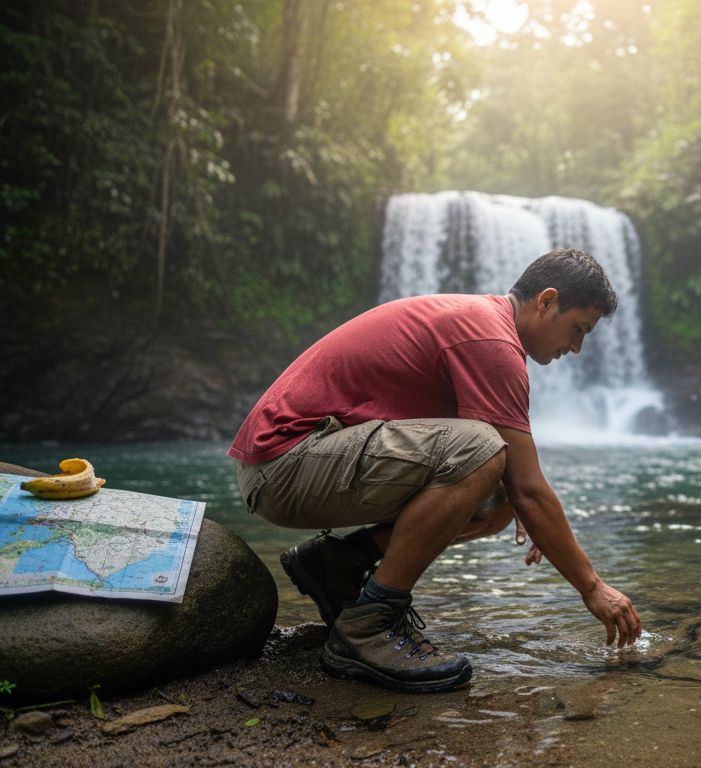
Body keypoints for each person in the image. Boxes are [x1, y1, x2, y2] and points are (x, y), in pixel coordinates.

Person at [228, 247, 642, 693]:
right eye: (578, 329)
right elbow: (527, 485)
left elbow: (519, 487)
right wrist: (593, 587)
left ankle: (338, 561)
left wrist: (521, 501)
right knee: (484, 450)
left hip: (298, 462)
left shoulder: (484, 325)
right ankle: (368, 627)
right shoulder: (491, 341)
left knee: (498, 497)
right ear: (546, 300)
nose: (576, 348)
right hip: (284, 463)